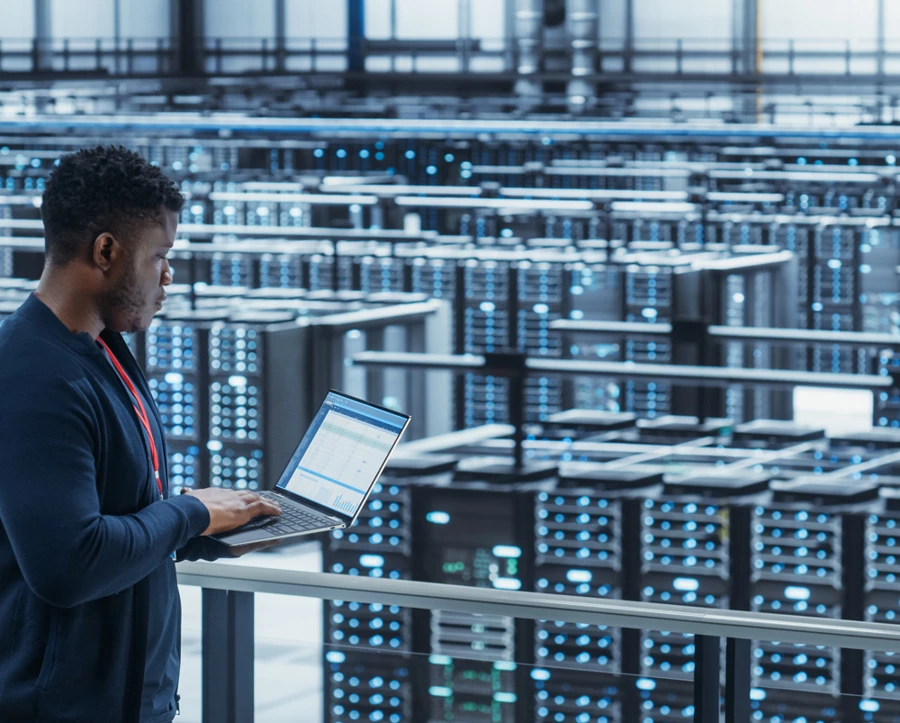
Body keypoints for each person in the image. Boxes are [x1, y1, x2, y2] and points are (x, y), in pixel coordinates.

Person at [0, 145, 282, 723]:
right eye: (160, 256)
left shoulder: (105, 355)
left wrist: (217, 532)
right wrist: (188, 514)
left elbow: (122, 519)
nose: (169, 276)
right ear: (106, 250)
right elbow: (69, 565)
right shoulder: (32, 375)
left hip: (129, 703)